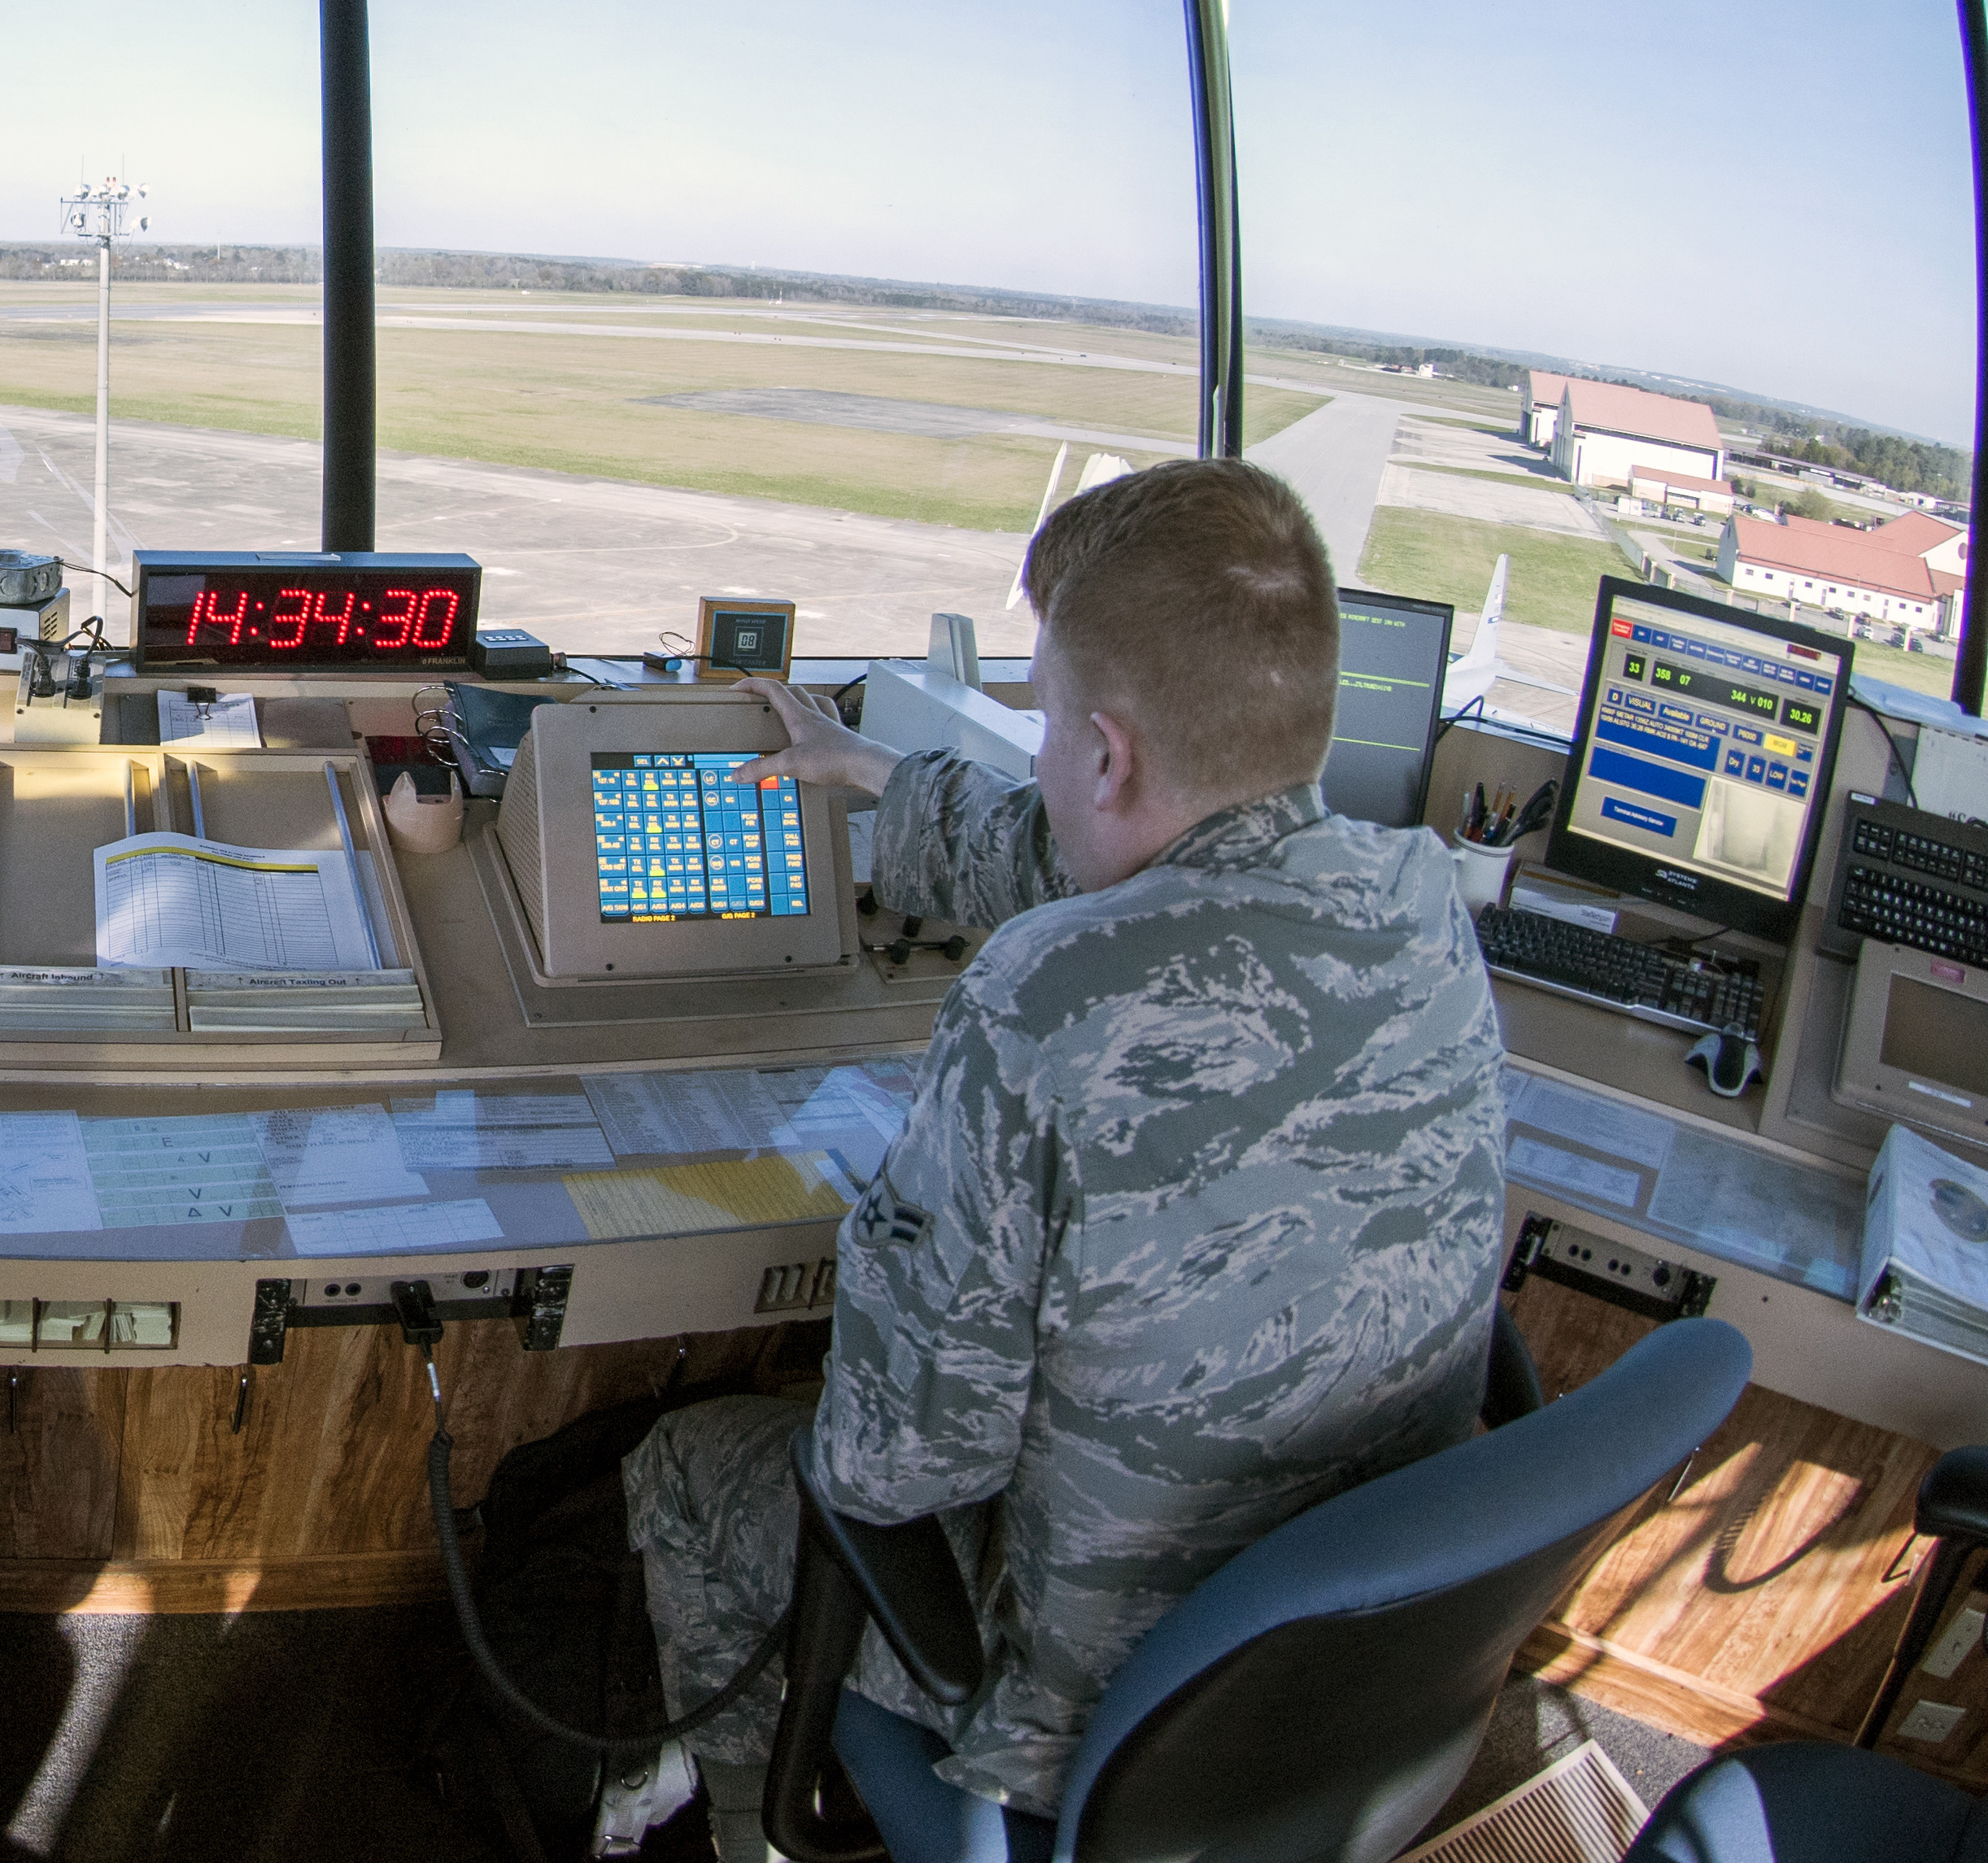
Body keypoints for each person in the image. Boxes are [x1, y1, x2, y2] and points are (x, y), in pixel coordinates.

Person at [625, 458, 1503, 1845]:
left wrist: (896, 1235)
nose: (1039, 754)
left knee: (687, 1467)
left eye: (1042, 722)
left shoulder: (1042, 1000)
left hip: (1097, 1710)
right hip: (1351, 1674)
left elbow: (888, 1466)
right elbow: (1136, 857)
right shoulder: (1424, 901)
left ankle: (749, 1827)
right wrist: (875, 776)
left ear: (1105, 753)